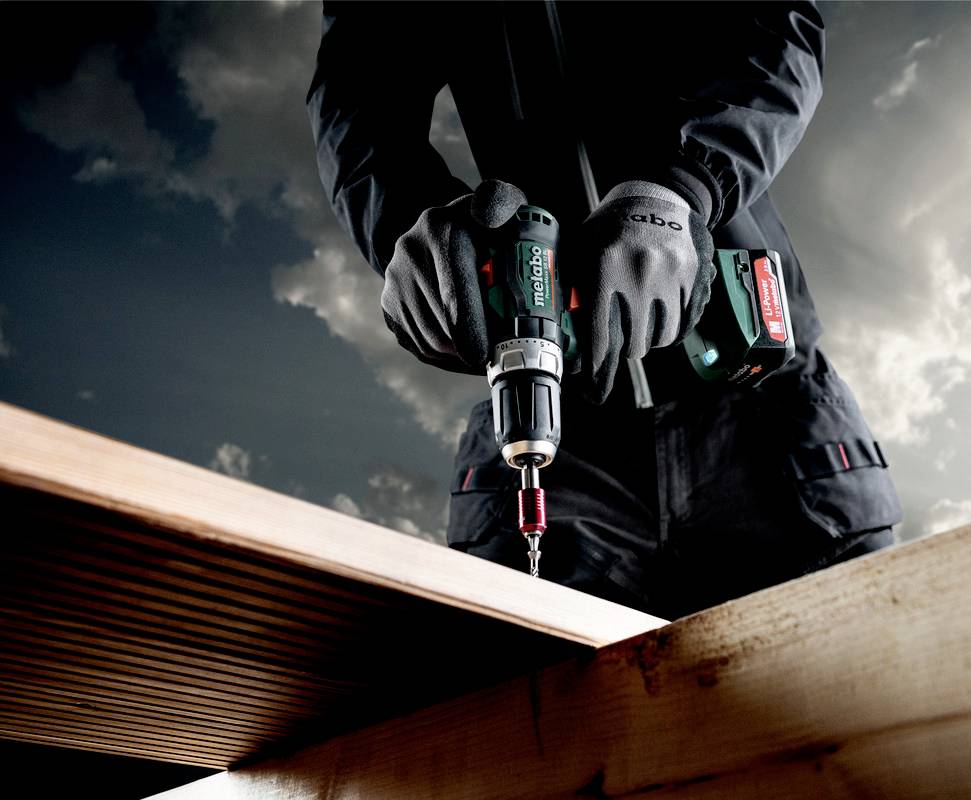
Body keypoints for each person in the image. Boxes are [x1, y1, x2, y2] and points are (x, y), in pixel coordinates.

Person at [308, 1, 901, 620]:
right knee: (517, 709)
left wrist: (684, 185)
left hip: (757, 402)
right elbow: (356, 92)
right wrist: (407, 224)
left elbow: (775, 25)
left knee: (863, 699)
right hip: (554, 407)